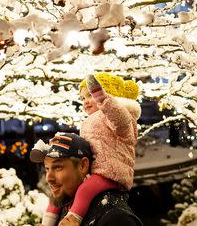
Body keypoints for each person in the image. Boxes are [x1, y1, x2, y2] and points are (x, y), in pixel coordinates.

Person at [37, 72, 141, 225]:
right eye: (83, 98)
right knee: (56, 199)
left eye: (90, 95)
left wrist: (102, 98)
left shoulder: (120, 118)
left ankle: (73, 218)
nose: (86, 101)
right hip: (95, 172)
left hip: (112, 172)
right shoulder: (90, 121)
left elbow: (118, 117)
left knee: (84, 191)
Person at [29, 132, 142, 226]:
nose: (49, 178)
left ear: (83, 166)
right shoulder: (64, 208)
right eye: (47, 169)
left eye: (58, 167)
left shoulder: (115, 217)